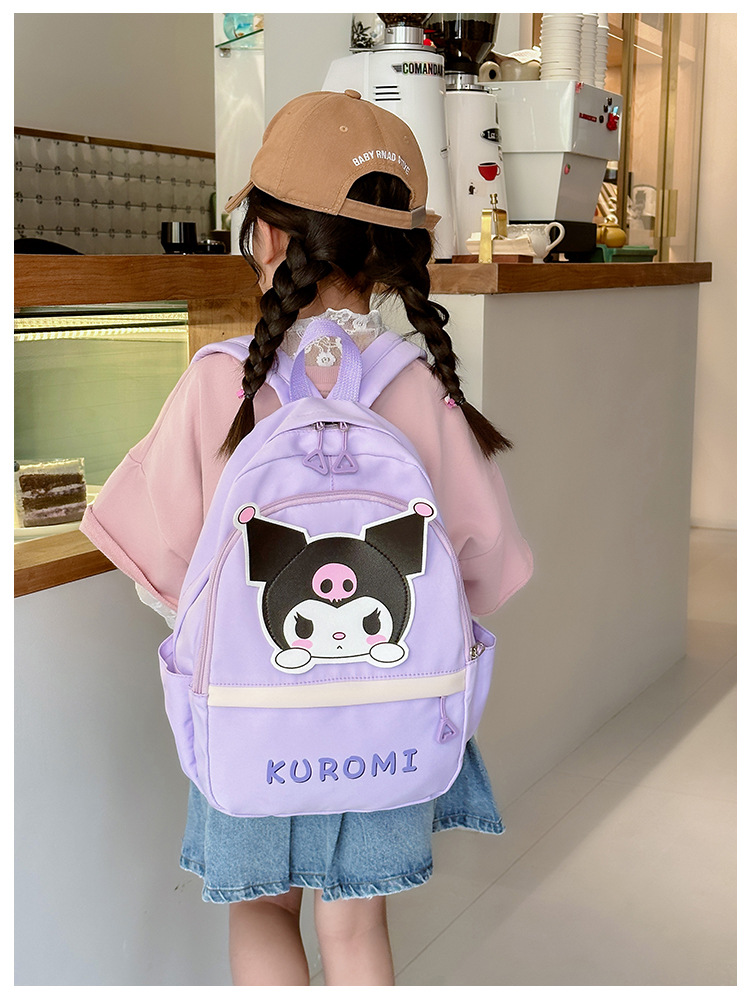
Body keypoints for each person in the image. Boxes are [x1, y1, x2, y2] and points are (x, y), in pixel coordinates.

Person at [81, 89, 532, 987]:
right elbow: (488, 570)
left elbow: (161, 571)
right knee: (357, 929)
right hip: (391, 726)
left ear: (268, 237)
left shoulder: (219, 383)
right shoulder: (419, 388)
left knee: (262, 913)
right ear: (393, 256)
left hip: (250, 721)